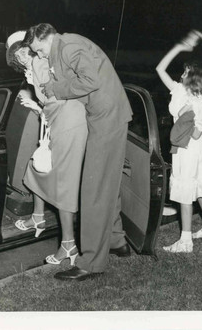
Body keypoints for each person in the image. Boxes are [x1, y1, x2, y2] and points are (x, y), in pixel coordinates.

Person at [23, 23, 133, 281]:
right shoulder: (64, 46)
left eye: (38, 50)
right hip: (106, 117)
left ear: (45, 37)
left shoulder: (68, 47)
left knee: (94, 191)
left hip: (107, 119)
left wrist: (56, 88)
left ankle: (91, 263)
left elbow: (90, 81)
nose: (39, 56)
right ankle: (117, 242)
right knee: (107, 184)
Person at [6, 31, 88, 266]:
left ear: (30, 48)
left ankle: (69, 246)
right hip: (60, 121)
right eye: (16, 54)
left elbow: (58, 97)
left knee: (64, 186)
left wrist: (40, 108)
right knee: (36, 167)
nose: (21, 56)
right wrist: (38, 105)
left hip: (69, 125)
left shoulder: (40, 62)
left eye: (23, 50)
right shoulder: (34, 64)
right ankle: (38, 217)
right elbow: (50, 97)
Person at [155, 30, 202, 253]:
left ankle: (185, 241)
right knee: (199, 184)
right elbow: (160, 69)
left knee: (187, 188)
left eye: (186, 70)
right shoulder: (179, 90)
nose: (182, 73)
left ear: (194, 76)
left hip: (190, 147)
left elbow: (195, 133)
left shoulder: (199, 102)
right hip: (192, 146)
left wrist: (187, 115)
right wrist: (179, 47)